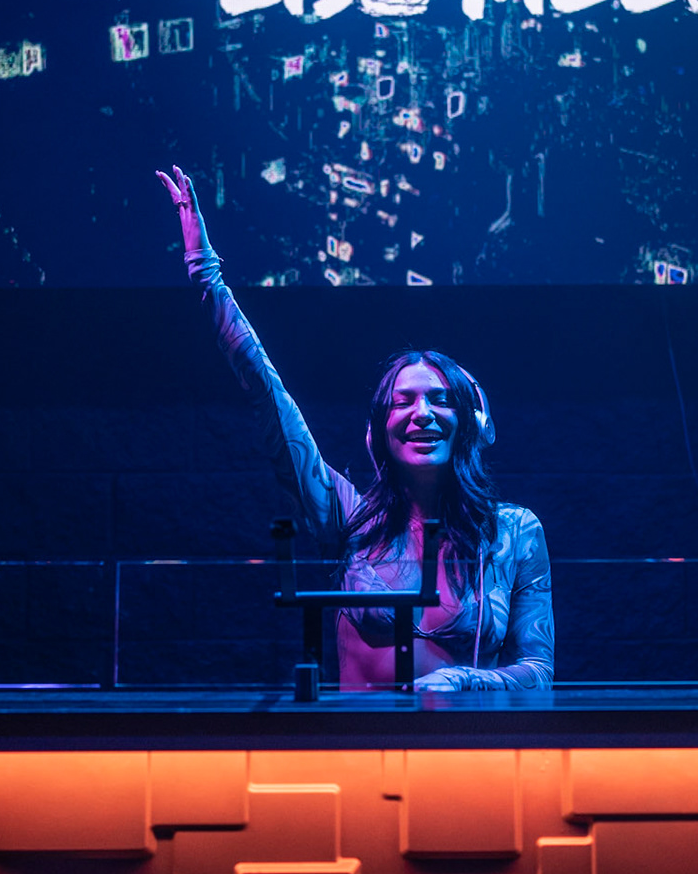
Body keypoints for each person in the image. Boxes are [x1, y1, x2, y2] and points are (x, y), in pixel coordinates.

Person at [157, 166, 553, 690]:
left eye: (440, 400)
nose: (423, 413)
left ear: (472, 426)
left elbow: (538, 672)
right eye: (403, 402)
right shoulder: (351, 518)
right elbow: (270, 395)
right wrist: (207, 274)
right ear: (377, 432)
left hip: (464, 739)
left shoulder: (514, 532)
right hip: (359, 736)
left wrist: (464, 681)